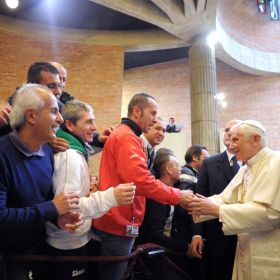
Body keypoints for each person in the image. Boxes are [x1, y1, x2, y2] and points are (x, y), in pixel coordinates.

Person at [93, 93, 193, 280]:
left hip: (121, 219)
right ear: (137, 111)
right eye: (153, 113)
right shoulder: (126, 137)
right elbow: (139, 180)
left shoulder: (129, 136)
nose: (155, 119)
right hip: (118, 221)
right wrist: (177, 195)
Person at [45, 100, 135, 280]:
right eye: (88, 122)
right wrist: (110, 197)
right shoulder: (70, 156)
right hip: (67, 242)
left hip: (74, 238)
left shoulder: (77, 150)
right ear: (69, 125)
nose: (95, 127)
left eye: (93, 121)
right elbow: (68, 210)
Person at [0, 84, 80, 280]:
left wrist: (57, 217)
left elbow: (39, 201)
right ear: (31, 116)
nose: (60, 119)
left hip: (41, 249)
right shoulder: (2, 155)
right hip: (12, 258)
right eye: (54, 111)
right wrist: (52, 209)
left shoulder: (46, 152)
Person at [188, 120, 280, 280]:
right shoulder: (245, 168)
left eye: (236, 139)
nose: (230, 145)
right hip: (246, 247)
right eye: (230, 139)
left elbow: (271, 213)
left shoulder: (276, 163)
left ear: (255, 139)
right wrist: (198, 206)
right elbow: (225, 199)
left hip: (268, 249)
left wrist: (218, 210)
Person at [138, 148, 203, 279]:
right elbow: (155, 236)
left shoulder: (171, 189)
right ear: (168, 169)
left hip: (168, 249)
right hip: (158, 257)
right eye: (177, 165)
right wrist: (186, 247)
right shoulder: (157, 198)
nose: (181, 168)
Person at [191, 120, 241, 280]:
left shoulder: (252, 162)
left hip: (250, 235)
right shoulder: (209, 163)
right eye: (226, 130)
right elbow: (199, 199)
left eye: (234, 131)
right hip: (218, 236)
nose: (229, 133)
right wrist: (197, 234)